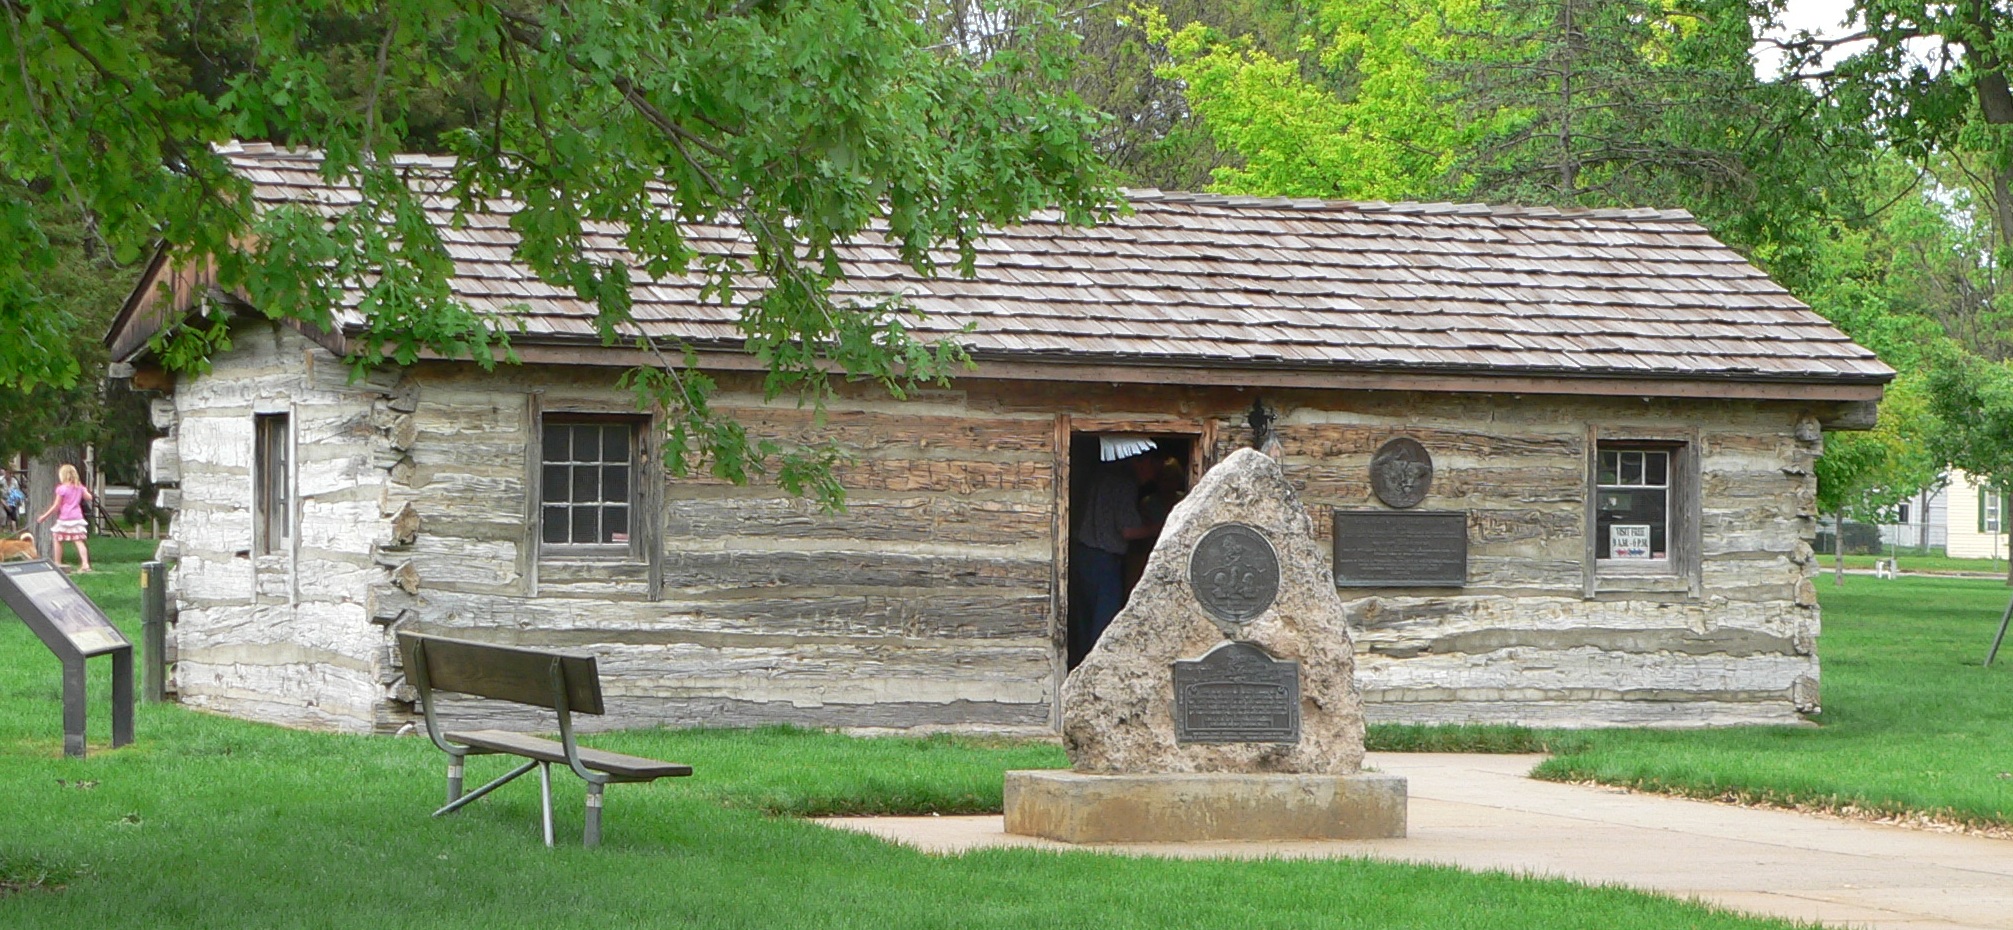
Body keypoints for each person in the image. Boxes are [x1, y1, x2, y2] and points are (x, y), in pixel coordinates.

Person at [1072, 443, 1164, 652]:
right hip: (1104, 563)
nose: (1155, 474)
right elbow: (1128, 530)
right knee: (1104, 627)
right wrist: (1162, 528)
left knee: (1084, 624)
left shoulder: (1102, 477)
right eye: (1155, 467)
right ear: (1143, 461)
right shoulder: (1124, 483)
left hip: (1083, 555)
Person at [35, 463, 93, 573]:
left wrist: (44, 516)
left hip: (65, 517)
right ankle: (85, 563)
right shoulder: (79, 487)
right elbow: (89, 497)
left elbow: (56, 506)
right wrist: (82, 490)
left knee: (57, 538)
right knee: (78, 540)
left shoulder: (61, 489)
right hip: (77, 517)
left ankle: (57, 562)